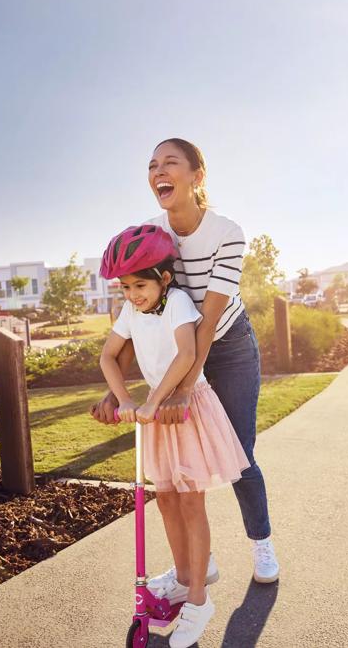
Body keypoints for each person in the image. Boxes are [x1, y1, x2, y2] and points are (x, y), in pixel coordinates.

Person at [92, 138, 280, 589]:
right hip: (182, 349)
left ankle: (261, 541)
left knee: (238, 451)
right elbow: (146, 308)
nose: (159, 170)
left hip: (227, 343)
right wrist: (117, 382)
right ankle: (199, 565)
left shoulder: (226, 232)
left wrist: (182, 389)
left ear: (197, 176)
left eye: (170, 162)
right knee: (179, 469)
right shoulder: (152, 234)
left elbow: (208, 318)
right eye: (152, 164)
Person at [95, 225, 250, 648]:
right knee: (165, 498)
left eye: (140, 285)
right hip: (156, 413)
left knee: (190, 499)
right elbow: (109, 355)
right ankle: (184, 579)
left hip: (187, 407)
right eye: (125, 286)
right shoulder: (131, 310)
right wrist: (126, 399)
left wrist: (155, 400)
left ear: (164, 278)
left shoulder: (178, 301)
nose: (132, 294)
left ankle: (199, 601)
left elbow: (186, 355)